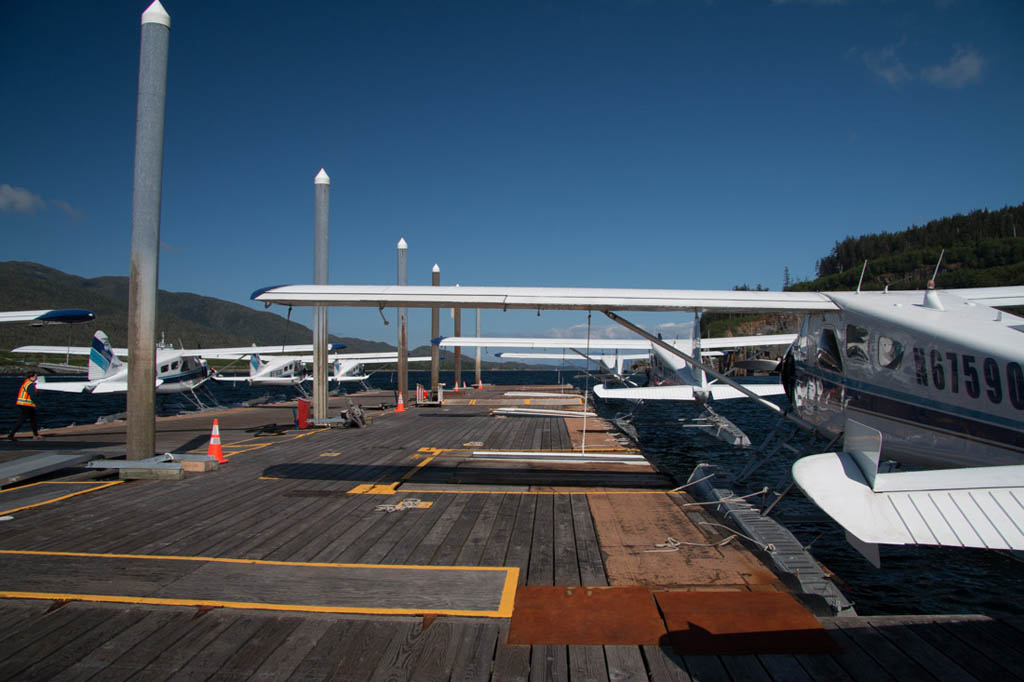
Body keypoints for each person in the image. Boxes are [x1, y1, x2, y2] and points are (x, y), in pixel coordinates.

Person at [7, 371, 41, 441]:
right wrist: (39, 401)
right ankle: (11, 435)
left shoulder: (26, 383)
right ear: (31, 377)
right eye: (35, 376)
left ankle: (36, 434)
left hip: (23, 404)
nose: (36, 377)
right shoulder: (30, 384)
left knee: (32, 419)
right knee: (22, 420)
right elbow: (33, 395)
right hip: (27, 405)